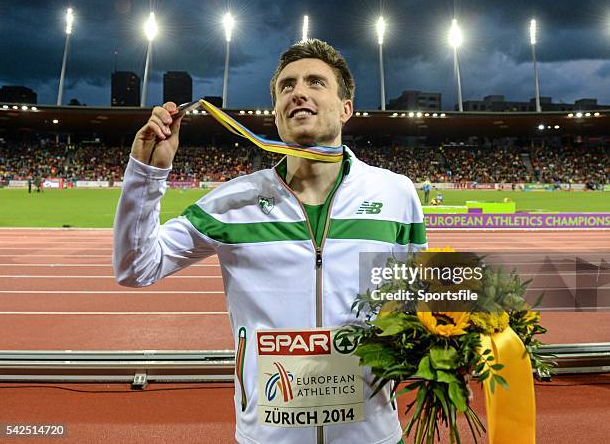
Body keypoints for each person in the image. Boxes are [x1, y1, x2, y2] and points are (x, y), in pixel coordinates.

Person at [112, 39, 427, 444]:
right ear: (276, 114)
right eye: (287, 86)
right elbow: (135, 268)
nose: (299, 91)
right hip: (268, 436)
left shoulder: (395, 194)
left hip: (373, 434)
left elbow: (421, 300)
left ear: (346, 107)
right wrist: (147, 171)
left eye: (316, 82)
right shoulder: (233, 201)